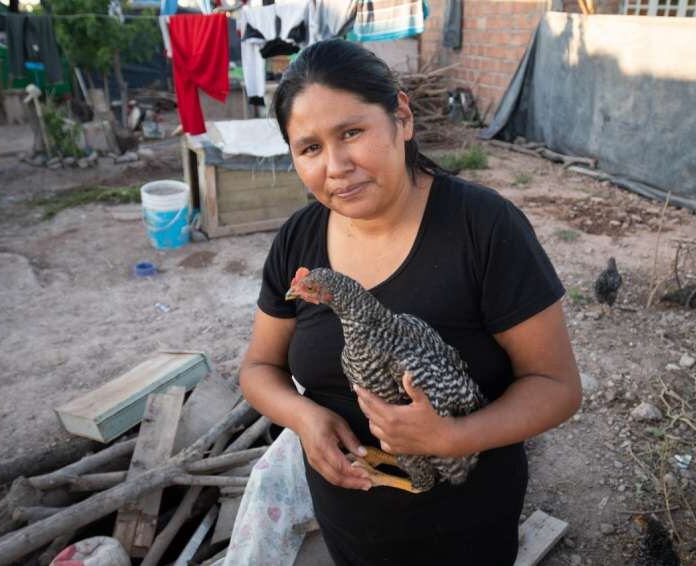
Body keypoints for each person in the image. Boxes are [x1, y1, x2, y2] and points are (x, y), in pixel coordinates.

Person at [239, 38, 582, 566]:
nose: (336, 166)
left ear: (401, 117)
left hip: (467, 526)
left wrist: (451, 436)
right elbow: (259, 367)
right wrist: (305, 418)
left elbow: (557, 388)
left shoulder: (484, 228)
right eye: (309, 148)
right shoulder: (298, 241)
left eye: (352, 132)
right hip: (349, 524)